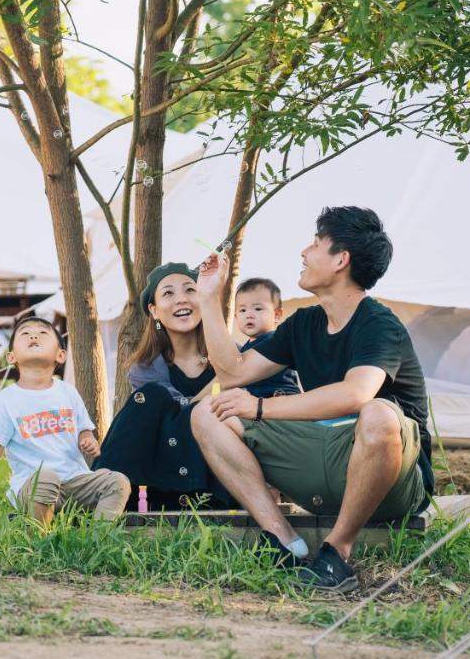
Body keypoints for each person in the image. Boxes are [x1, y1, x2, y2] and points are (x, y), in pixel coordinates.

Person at [192, 206, 433, 593]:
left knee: (378, 415)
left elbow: (355, 393)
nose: (303, 253)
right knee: (208, 413)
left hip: (393, 479)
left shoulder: (380, 324)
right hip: (325, 455)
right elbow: (232, 373)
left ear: (341, 260)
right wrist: (207, 298)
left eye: (315, 244)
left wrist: (259, 407)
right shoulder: (304, 323)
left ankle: (337, 555)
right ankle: (284, 542)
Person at [0, 316, 130, 524]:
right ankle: (40, 538)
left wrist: (88, 439)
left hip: (75, 481)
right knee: (47, 476)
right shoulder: (7, 399)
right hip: (34, 485)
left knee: (118, 481)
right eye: (25, 333)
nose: (33, 335)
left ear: (61, 355)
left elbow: (84, 429)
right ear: (11, 357)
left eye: (43, 333)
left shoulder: (67, 392)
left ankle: (98, 536)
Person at [93, 263, 225, 510]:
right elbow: (179, 413)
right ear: (153, 310)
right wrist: (222, 382)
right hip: (164, 473)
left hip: (215, 469)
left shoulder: (228, 356)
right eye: (168, 293)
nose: (181, 299)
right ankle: (102, 489)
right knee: (152, 397)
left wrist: (226, 375)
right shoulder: (145, 368)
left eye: (190, 290)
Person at [233, 277, 301, 399]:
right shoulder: (246, 346)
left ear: (276, 315)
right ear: (236, 316)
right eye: (242, 310)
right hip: (255, 400)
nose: (249, 315)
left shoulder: (274, 340)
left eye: (258, 309)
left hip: (279, 397)